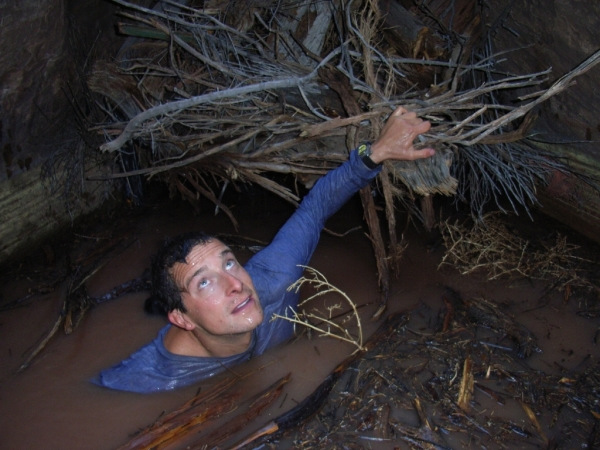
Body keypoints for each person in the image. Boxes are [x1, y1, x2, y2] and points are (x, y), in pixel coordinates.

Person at [93, 107, 434, 393]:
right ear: (181, 319)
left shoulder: (273, 279)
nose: (236, 285)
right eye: (205, 282)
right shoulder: (147, 379)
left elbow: (314, 210)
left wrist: (374, 154)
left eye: (228, 264)